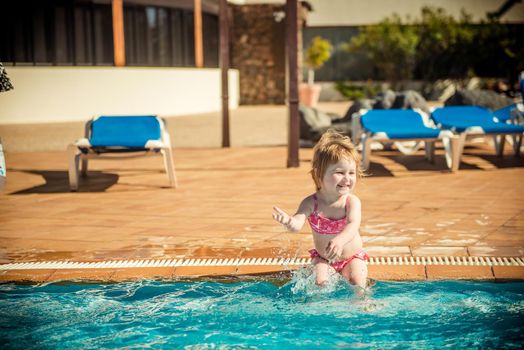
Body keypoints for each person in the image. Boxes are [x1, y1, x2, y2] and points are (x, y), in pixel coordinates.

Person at [272, 130, 368, 292]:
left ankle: (362, 306)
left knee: (357, 282)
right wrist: (290, 222)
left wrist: (340, 240)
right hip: (324, 258)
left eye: (351, 173)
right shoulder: (311, 203)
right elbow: (297, 223)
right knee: (319, 284)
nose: (347, 178)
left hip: (352, 257)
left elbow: (353, 225)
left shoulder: (351, 202)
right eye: (339, 172)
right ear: (319, 175)